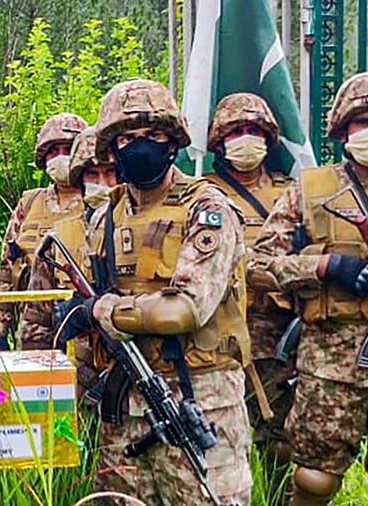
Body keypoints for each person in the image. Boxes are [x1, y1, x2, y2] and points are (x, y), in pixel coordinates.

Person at [71, 78, 253, 505]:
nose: (140, 147)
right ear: (111, 148)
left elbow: (186, 310)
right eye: (127, 138)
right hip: (122, 410)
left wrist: (105, 311)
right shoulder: (105, 217)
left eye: (153, 136)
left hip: (197, 403)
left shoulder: (207, 210)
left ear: (173, 142)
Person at [249, 71, 368, 506]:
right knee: (314, 478)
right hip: (327, 361)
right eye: (361, 120)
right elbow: (257, 265)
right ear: (343, 130)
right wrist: (326, 267)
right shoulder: (310, 190)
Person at [206, 92, 297, 494]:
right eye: (237, 132)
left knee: (280, 442)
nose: (247, 139)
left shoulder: (292, 192)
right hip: (218, 337)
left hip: (279, 336)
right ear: (219, 142)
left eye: (254, 131)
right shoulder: (201, 194)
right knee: (219, 438)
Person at [20, 125, 117, 398]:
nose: (103, 183)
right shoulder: (59, 238)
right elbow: (35, 321)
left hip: (135, 372)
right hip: (74, 374)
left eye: (111, 173)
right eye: (92, 175)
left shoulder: (148, 232)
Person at [0, 113, 88, 349]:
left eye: (68, 149)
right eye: (53, 151)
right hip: (32, 332)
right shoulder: (30, 202)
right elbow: (7, 269)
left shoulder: (98, 200)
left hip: (84, 335)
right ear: (44, 157)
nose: (61, 157)